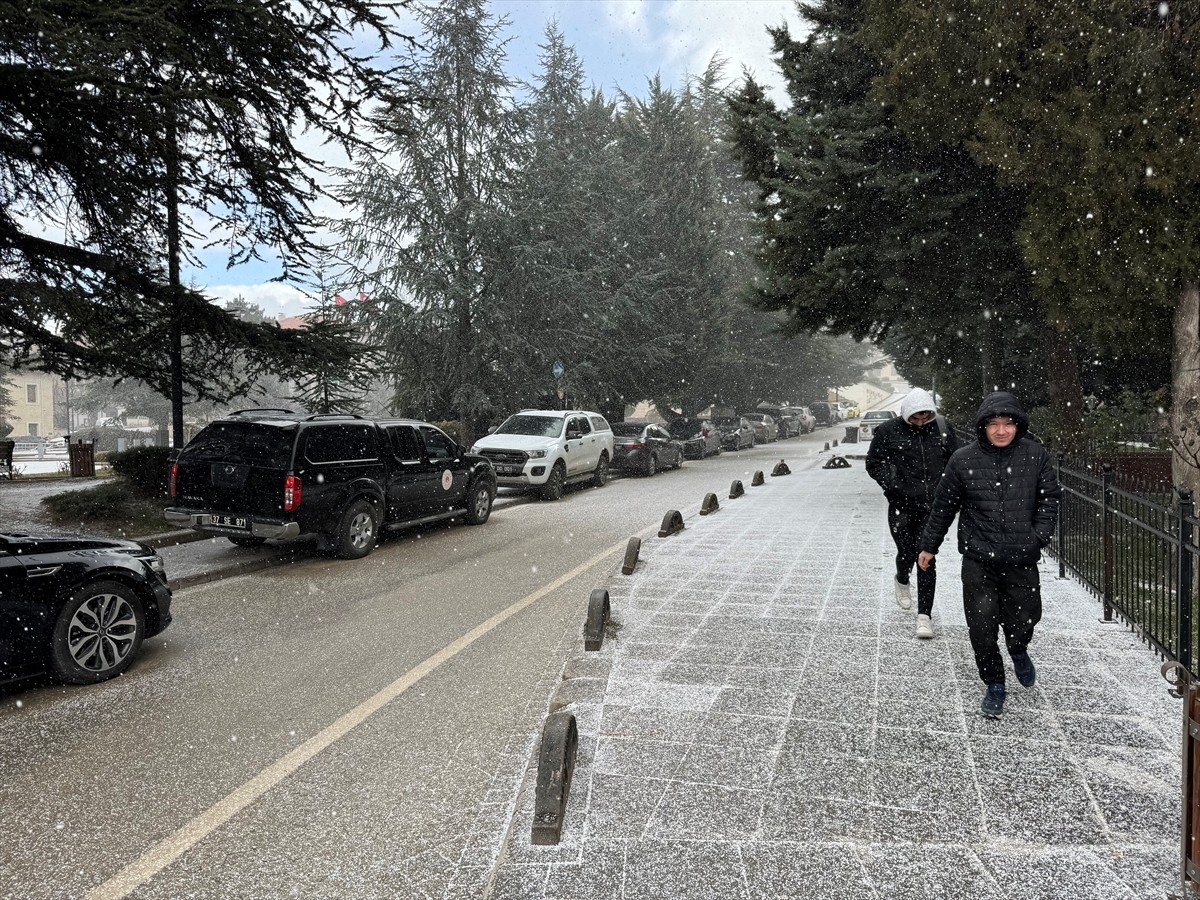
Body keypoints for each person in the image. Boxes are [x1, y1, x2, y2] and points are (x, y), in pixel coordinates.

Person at [917, 391, 1062, 719]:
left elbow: (1049, 499)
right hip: (979, 557)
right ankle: (994, 682)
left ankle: (1019, 649)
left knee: (1025, 618)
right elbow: (944, 506)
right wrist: (928, 545)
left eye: (1008, 424)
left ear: (1017, 426)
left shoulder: (1035, 456)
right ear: (983, 427)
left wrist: (1037, 536)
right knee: (981, 627)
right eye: (994, 424)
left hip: (1021, 557)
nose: (1001, 430)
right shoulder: (963, 460)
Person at [865, 387, 958, 638]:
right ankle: (902, 579)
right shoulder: (888, 432)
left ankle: (924, 616)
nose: (920, 422)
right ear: (906, 415)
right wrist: (892, 482)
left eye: (924, 417)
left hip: (932, 507)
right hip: (902, 506)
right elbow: (874, 462)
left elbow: (956, 460)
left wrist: (948, 488)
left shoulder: (942, 428)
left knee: (926, 557)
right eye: (914, 418)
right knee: (906, 552)